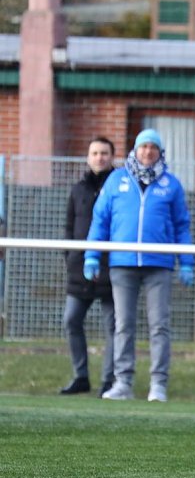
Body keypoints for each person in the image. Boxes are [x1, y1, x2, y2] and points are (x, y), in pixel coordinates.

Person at [85, 129, 195, 402]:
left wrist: (187, 262)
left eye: (153, 148)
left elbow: (182, 225)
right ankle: (123, 381)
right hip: (122, 263)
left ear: (160, 152)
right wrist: (92, 255)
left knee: (159, 325)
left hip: (159, 264)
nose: (148, 152)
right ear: (135, 149)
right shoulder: (116, 180)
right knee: (124, 324)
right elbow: (100, 220)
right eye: (143, 147)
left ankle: (159, 384)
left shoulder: (171, 184)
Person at [60, 136, 117, 397]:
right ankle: (81, 376)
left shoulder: (119, 187)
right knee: (71, 320)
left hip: (111, 270)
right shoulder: (78, 189)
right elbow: (69, 227)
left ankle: (109, 380)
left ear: (112, 157)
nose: (99, 157)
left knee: (114, 326)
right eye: (94, 153)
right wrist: (71, 256)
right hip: (79, 268)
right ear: (88, 157)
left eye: (104, 153)